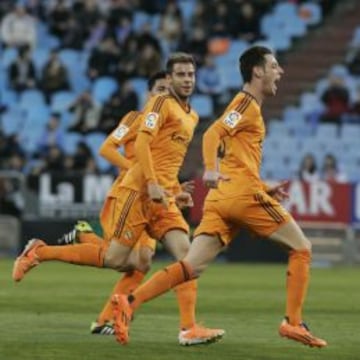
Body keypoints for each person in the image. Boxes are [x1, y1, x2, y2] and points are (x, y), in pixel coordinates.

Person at [110, 46, 328, 348]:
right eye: (274, 66)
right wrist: (210, 169)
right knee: (302, 248)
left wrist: (264, 186)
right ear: (258, 71)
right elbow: (213, 134)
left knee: (190, 266)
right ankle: (293, 322)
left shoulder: (248, 107)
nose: (280, 72)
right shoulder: (246, 103)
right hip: (240, 194)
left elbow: (238, 160)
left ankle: (129, 302)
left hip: (222, 198)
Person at [12, 59, 224, 345]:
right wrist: (144, 179)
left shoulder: (192, 116)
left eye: (190, 74)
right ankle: (43, 251)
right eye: (176, 77)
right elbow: (122, 147)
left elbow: (166, 161)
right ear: (155, 90)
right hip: (135, 192)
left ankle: (185, 328)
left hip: (161, 197)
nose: (185, 80)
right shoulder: (146, 113)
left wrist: (173, 189)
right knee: (116, 259)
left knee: (183, 259)